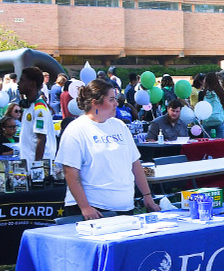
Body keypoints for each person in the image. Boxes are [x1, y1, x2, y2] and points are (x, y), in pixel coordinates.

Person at [56, 79, 159, 221]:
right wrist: (85, 207)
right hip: (94, 211)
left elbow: (135, 163)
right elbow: (70, 172)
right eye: (111, 100)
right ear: (95, 102)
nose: (116, 104)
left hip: (125, 207)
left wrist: (147, 195)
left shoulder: (120, 126)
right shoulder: (76, 130)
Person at [197, 73, 224, 137]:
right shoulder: (221, 92)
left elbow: (200, 107)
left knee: (207, 144)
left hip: (206, 121)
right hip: (219, 119)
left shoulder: (202, 93)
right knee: (220, 143)